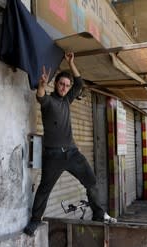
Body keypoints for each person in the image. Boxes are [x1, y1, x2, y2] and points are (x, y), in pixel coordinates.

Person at [23, 52, 116, 236]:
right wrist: (41, 85)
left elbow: (80, 83)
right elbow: (40, 97)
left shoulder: (67, 100)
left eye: (66, 85)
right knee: (44, 189)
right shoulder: (49, 101)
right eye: (61, 84)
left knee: (91, 181)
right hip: (53, 155)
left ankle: (98, 214)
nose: (64, 87)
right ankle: (35, 221)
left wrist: (71, 63)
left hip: (72, 153)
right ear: (55, 84)